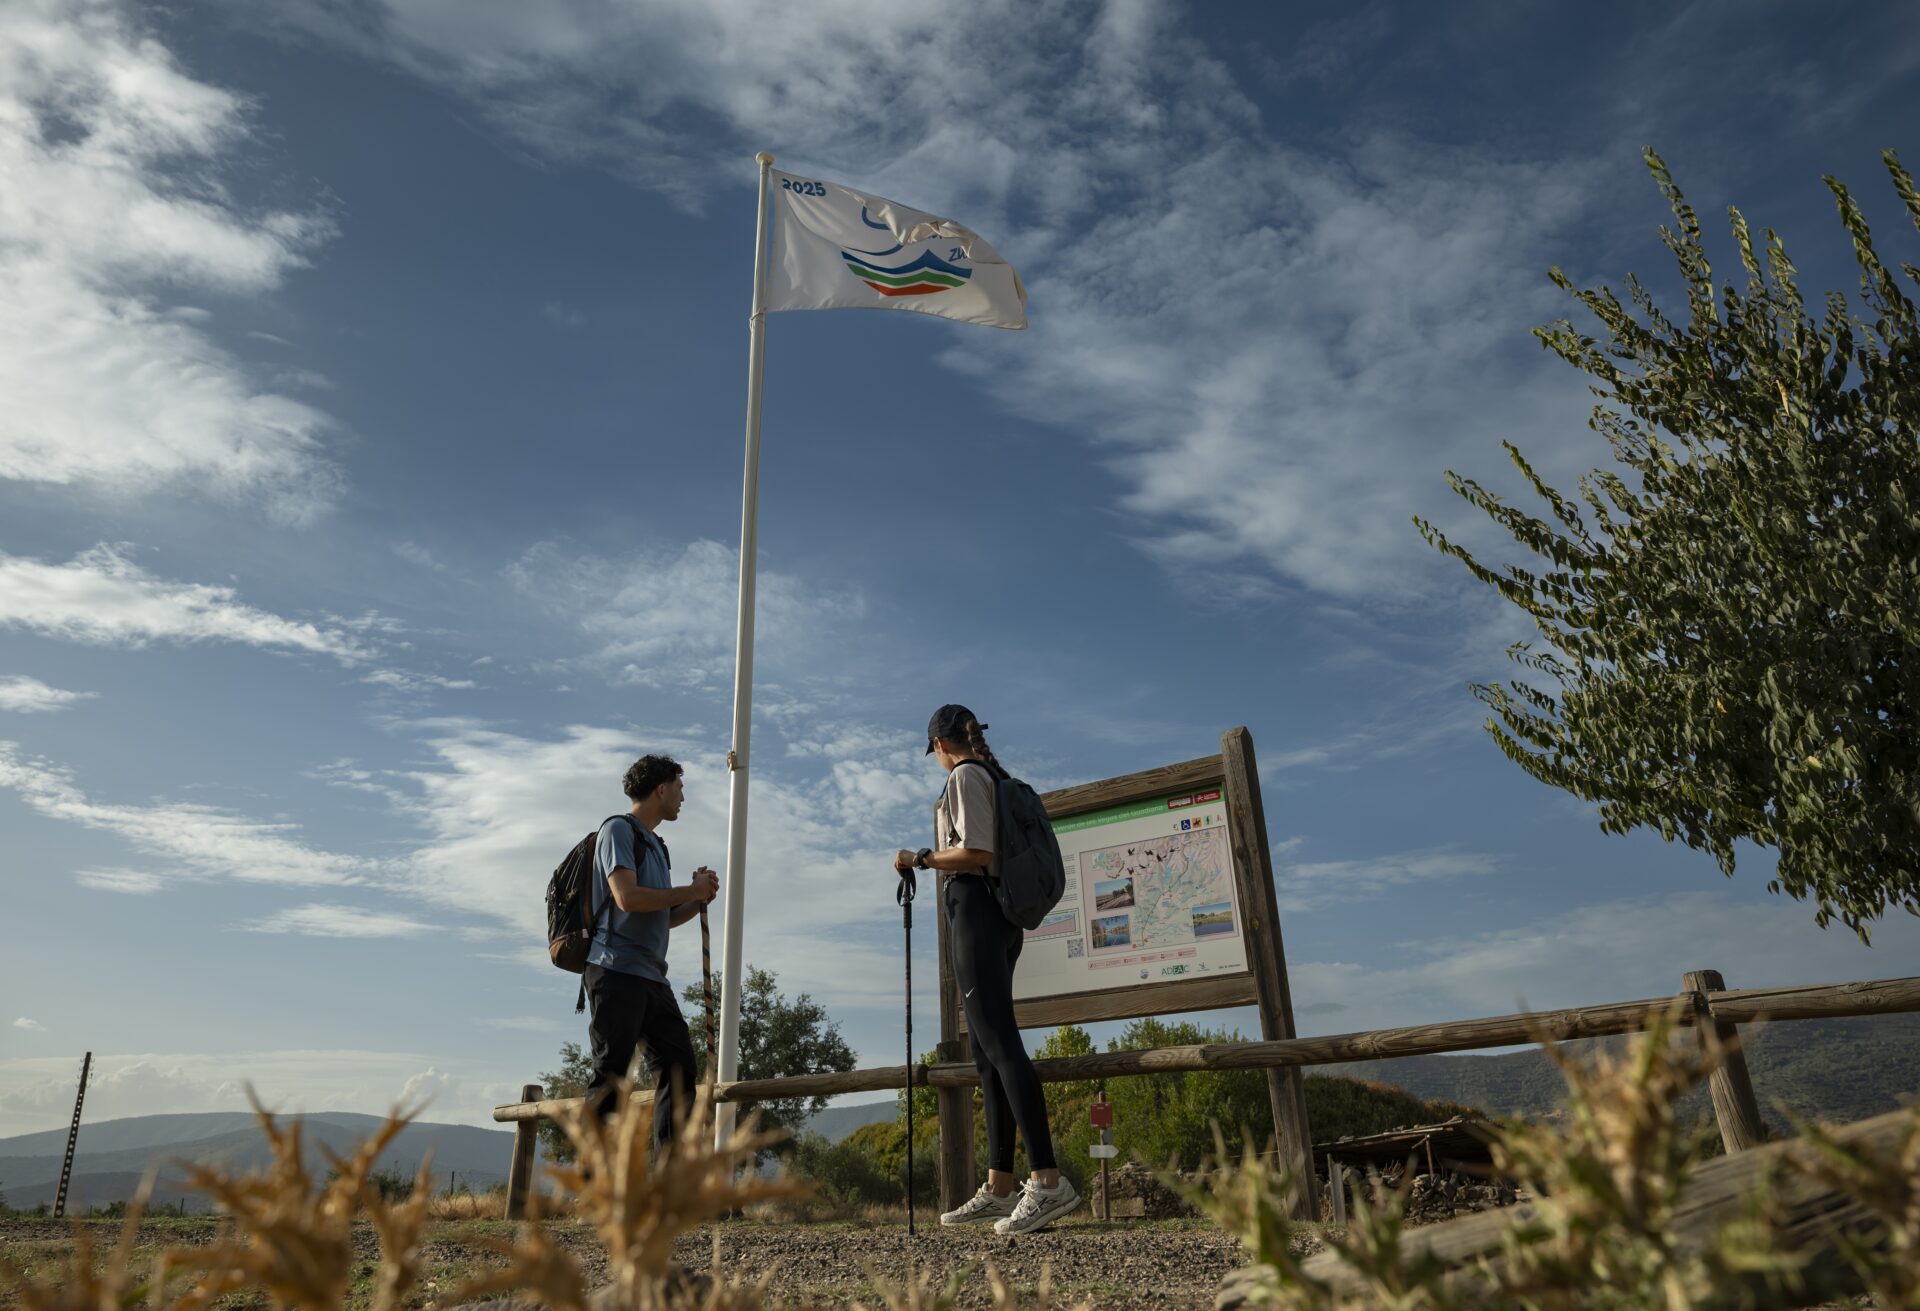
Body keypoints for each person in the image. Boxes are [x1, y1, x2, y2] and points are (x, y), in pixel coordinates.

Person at [895, 704, 1082, 1235]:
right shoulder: (993, 776)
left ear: (939, 745)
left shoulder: (964, 776)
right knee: (984, 1051)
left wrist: (921, 858)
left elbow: (977, 851)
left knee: (1000, 1045)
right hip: (997, 916)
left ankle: (1047, 1181)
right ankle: (1001, 1185)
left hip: (977, 911)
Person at [583, 753, 719, 1152]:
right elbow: (627, 898)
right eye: (679, 788)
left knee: (679, 1068)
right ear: (661, 789)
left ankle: (669, 1184)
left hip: (651, 977)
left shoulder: (657, 846)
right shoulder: (617, 831)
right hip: (614, 969)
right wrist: (689, 892)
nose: (683, 797)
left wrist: (699, 898)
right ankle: (595, 1186)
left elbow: (661, 913)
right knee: (611, 1077)